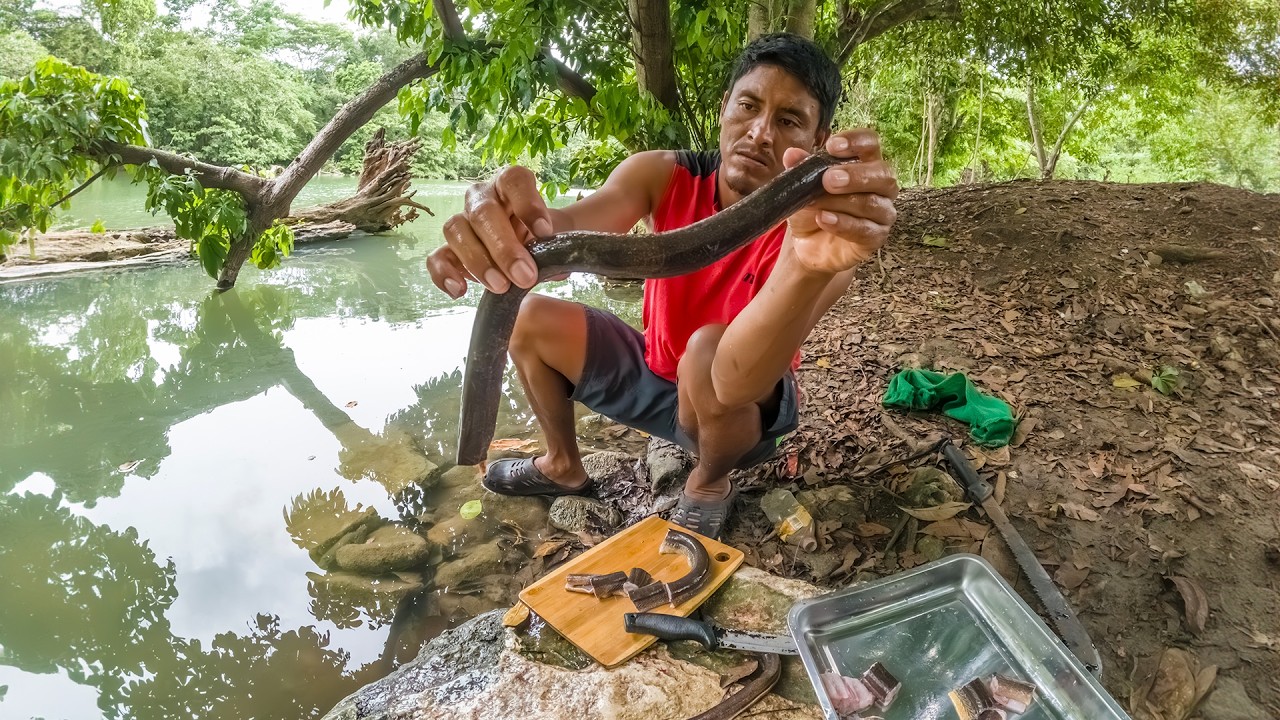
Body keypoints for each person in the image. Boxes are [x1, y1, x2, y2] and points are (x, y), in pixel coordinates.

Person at [427, 33, 898, 540]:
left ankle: (709, 480)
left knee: (705, 351)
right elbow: (565, 231)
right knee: (528, 316)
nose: (760, 133)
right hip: (659, 377)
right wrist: (519, 232)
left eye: (788, 121)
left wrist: (805, 265)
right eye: (748, 105)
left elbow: (738, 381)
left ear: (817, 137)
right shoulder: (662, 174)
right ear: (724, 108)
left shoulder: (826, 238)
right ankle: (563, 463)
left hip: (741, 412)